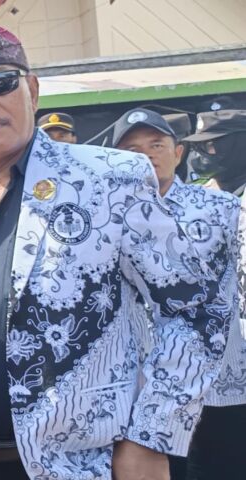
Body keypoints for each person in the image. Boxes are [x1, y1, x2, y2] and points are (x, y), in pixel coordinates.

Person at [0, 26, 229, 479]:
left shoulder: (110, 179)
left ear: (32, 89)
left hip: (80, 466)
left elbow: (196, 309)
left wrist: (152, 436)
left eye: (0, 83)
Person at [177, 106, 246, 480]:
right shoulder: (197, 200)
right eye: (199, 147)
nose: (202, 155)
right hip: (215, 373)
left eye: (214, 146)